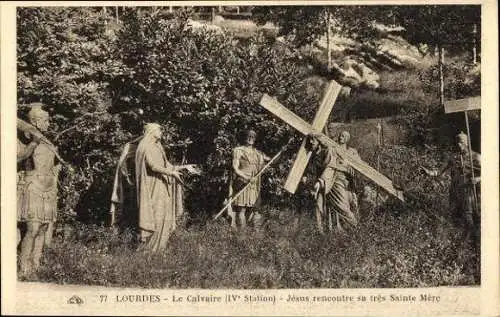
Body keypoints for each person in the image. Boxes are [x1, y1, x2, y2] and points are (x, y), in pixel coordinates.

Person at [134, 123, 200, 252]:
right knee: (156, 216)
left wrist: (185, 167)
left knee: (165, 215)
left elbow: (167, 165)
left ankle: (159, 249)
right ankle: (149, 250)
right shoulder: (145, 146)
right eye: (159, 130)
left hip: (163, 185)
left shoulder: (158, 146)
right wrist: (171, 173)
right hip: (153, 186)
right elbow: (153, 166)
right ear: (152, 131)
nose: (161, 132)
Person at [17, 104, 61, 278]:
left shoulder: (46, 139)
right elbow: (20, 156)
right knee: (32, 228)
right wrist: (34, 142)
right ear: (34, 121)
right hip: (33, 185)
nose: (48, 123)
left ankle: (36, 265)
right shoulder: (27, 138)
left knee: (43, 228)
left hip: (48, 188)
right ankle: (23, 267)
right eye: (45, 120)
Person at [422, 132, 480, 245]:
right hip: (454, 190)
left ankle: (474, 241)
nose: (459, 145)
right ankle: (457, 241)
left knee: (468, 215)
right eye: (457, 142)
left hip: (467, 190)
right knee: (454, 214)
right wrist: (428, 172)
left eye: (462, 142)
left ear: (467, 143)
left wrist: (478, 179)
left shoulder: (475, 157)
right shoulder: (453, 158)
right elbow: (439, 171)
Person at [307, 131, 359, 234]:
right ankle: (333, 232)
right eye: (340, 135)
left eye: (343, 136)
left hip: (339, 181)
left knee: (343, 206)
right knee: (328, 207)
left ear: (347, 139)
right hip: (329, 180)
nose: (340, 137)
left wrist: (347, 166)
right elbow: (328, 166)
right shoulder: (330, 148)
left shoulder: (350, 151)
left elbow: (356, 167)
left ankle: (356, 228)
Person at [228, 129, 270, 230]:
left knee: (256, 209)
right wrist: (246, 177)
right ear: (244, 138)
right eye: (248, 136)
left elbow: (267, 163)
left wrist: (283, 150)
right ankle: (241, 236)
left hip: (254, 184)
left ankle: (256, 234)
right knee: (241, 209)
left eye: (253, 137)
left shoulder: (258, 153)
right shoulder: (238, 150)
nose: (250, 139)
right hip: (242, 183)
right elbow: (235, 168)